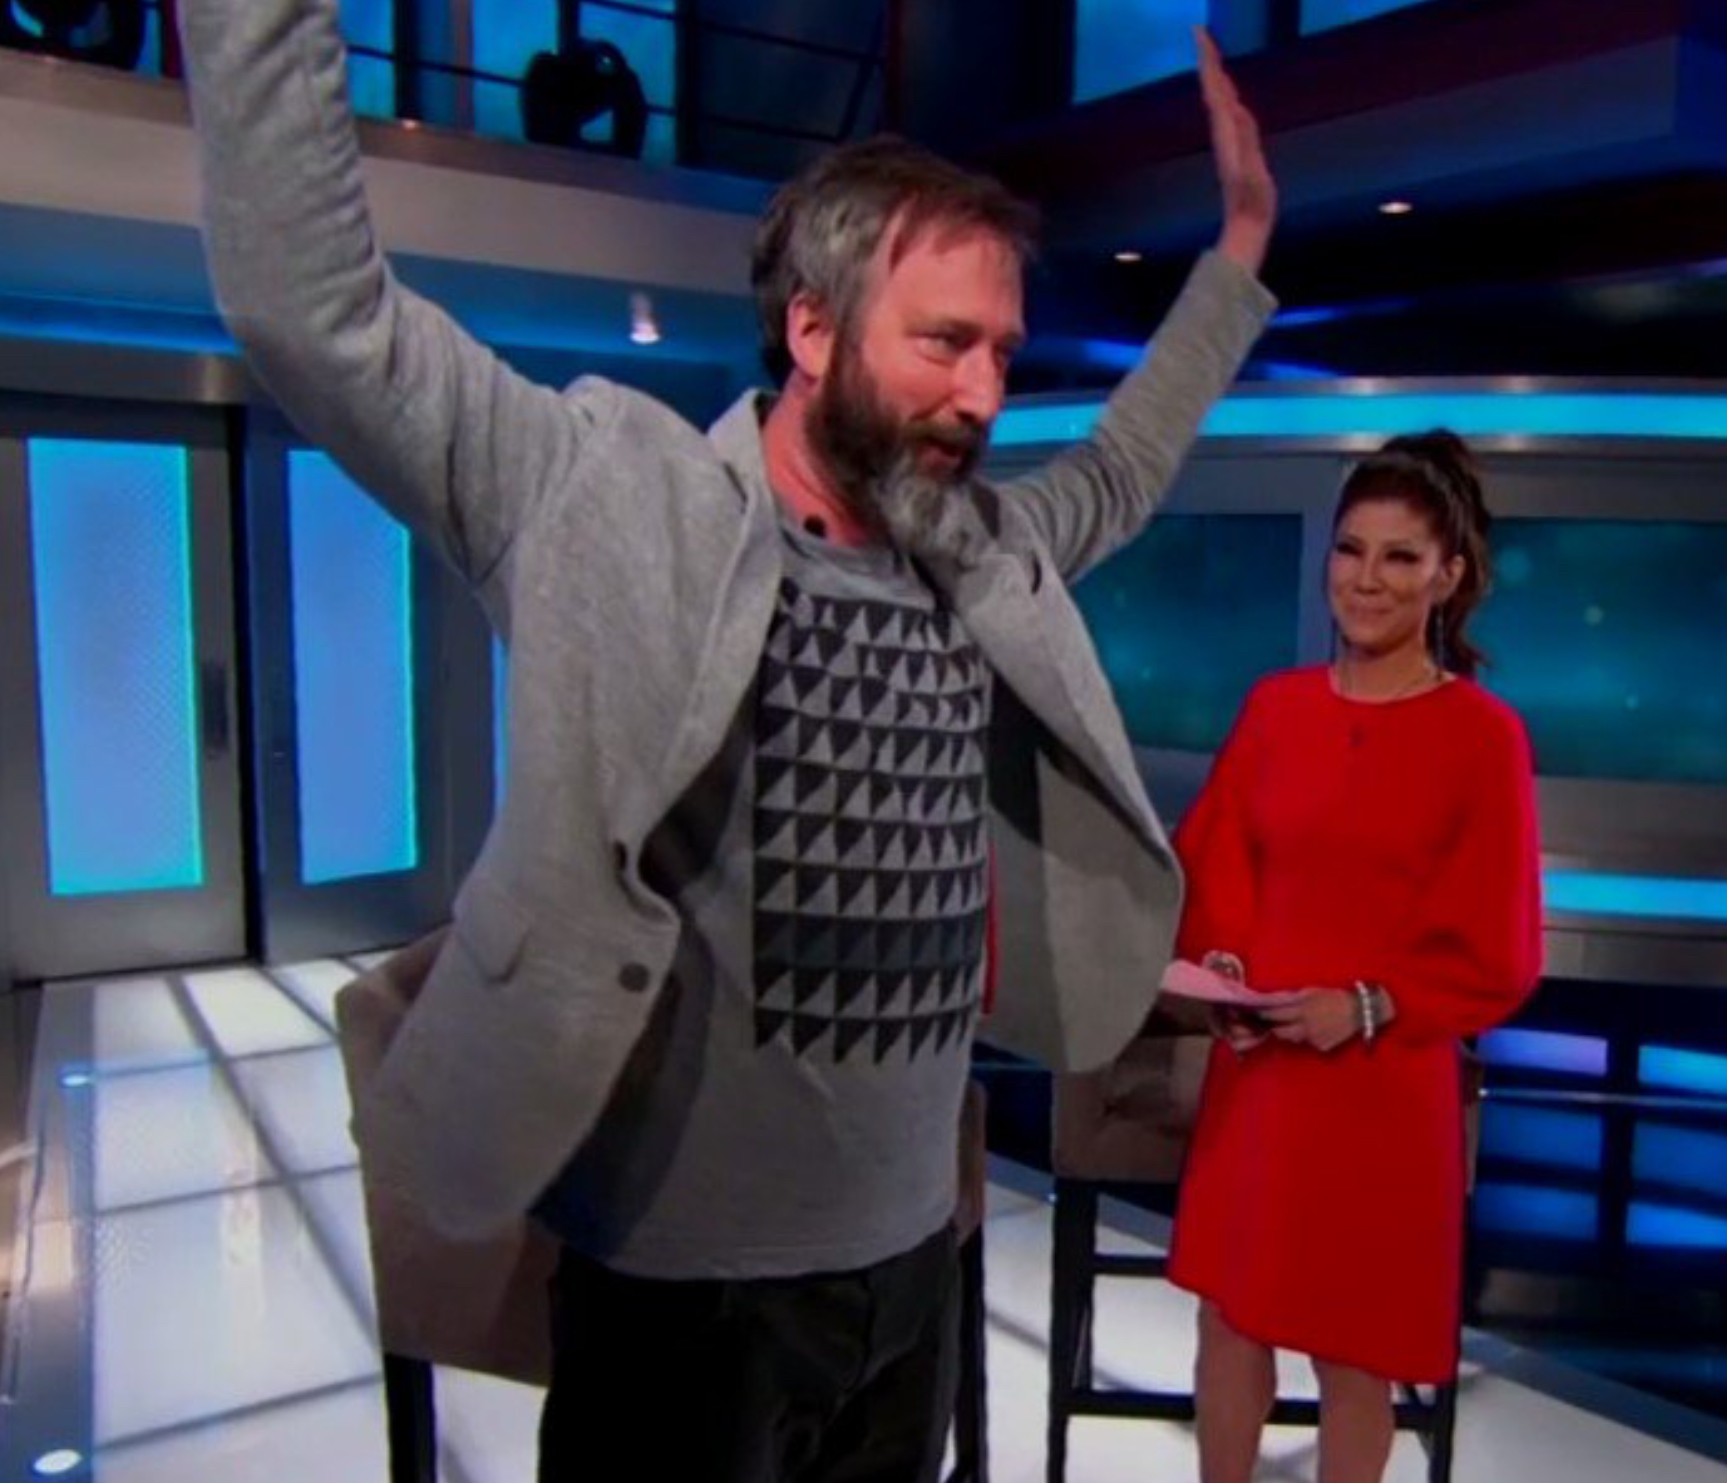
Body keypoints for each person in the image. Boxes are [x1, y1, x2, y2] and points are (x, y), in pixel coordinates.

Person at [177, 4, 1277, 1479]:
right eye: (945, 342)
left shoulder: (983, 551)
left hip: (915, 1261)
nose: (983, 393)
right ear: (811, 329)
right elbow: (315, 310)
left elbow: (1122, 468)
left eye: (1002, 351)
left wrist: (1239, 248)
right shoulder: (598, 492)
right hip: (682, 1295)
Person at [1165, 432, 1543, 1483]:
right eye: (1349, 549)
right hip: (1260, 1075)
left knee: (1351, 1352)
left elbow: (1499, 949)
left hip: (1380, 1084)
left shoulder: (1481, 738)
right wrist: (1223, 971)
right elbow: (1214, 866)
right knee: (1227, 1319)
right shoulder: (1274, 707)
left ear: (1447, 577)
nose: (1365, 578)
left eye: (1398, 557)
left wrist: (1365, 1006)